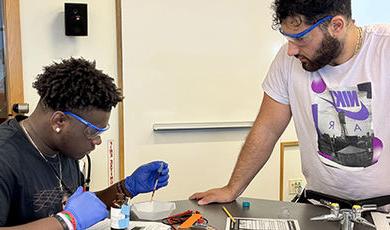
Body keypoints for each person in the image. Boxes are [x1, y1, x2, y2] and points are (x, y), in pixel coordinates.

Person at [190, 0, 390, 209]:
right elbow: (267, 128)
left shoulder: (384, 48)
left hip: (384, 209)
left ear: (336, 26)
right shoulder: (288, 62)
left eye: (301, 38)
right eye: (288, 39)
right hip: (319, 205)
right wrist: (232, 188)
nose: (291, 51)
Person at [0, 57, 169, 229]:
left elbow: (83, 210)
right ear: (59, 121)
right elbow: (72, 218)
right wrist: (66, 222)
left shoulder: (64, 148)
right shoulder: (5, 156)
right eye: (93, 132)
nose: (97, 140)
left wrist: (126, 188)